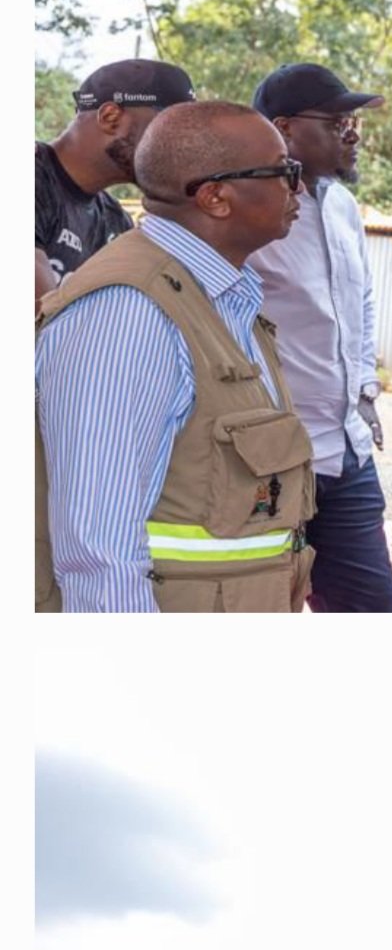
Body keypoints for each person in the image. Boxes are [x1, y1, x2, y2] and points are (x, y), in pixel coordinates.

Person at [33, 99, 316, 612]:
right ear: (215, 197)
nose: (297, 187)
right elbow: (98, 555)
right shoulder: (128, 312)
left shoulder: (221, 297)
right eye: (283, 171)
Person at [243, 61, 392, 610]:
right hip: (272, 461)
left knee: (374, 611)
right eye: (336, 122)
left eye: (352, 122)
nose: (351, 132)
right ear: (284, 129)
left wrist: (364, 388)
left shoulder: (341, 205)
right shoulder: (241, 209)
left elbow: (360, 303)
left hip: (347, 453)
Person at [36, 57, 194, 291]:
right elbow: (42, 320)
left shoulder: (115, 220)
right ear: (110, 118)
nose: (181, 147)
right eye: (168, 130)